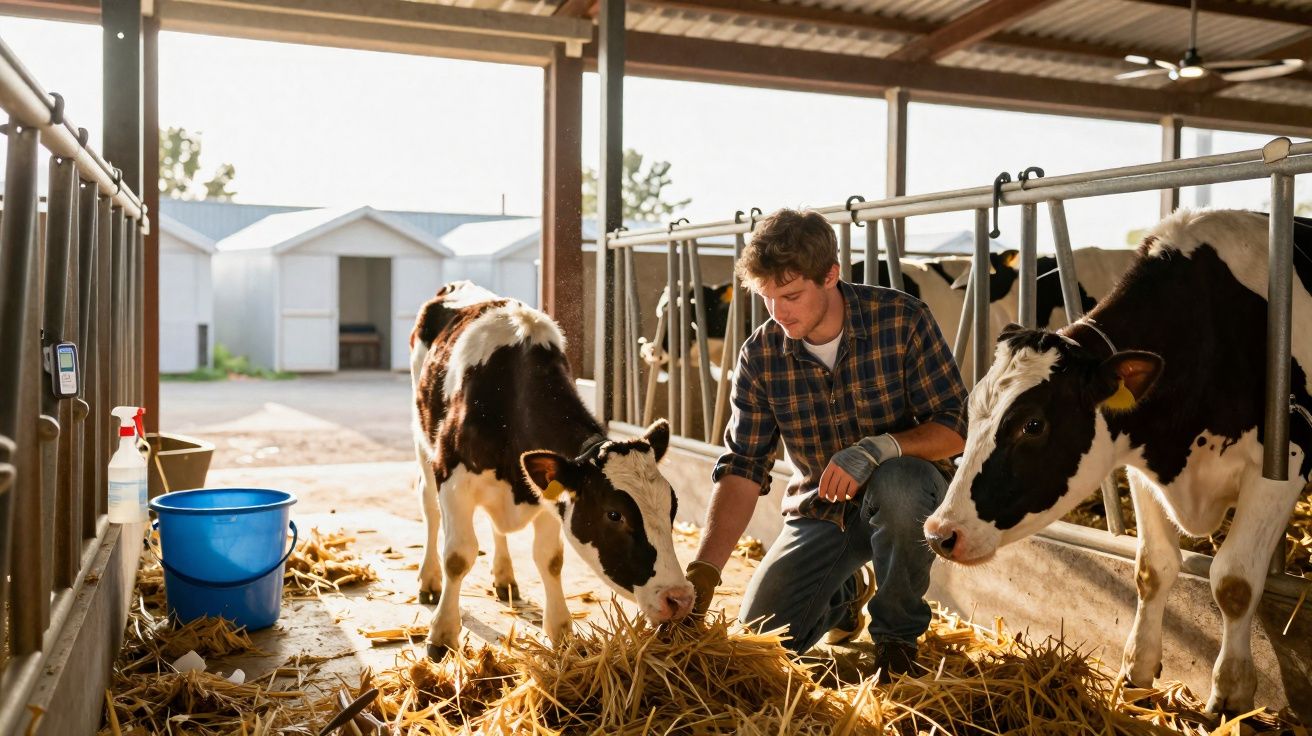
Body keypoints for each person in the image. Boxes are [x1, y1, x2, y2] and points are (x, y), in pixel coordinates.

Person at [683, 208, 967, 680]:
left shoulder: (901, 318)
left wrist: (879, 448)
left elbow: (956, 426)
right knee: (762, 639)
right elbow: (743, 465)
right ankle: (841, 597)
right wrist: (705, 572)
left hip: (905, 497)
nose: (779, 312)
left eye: (791, 295)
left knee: (900, 485)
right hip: (823, 509)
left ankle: (896, 642)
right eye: (768, 298)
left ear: (831, 275)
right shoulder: (761, 353)